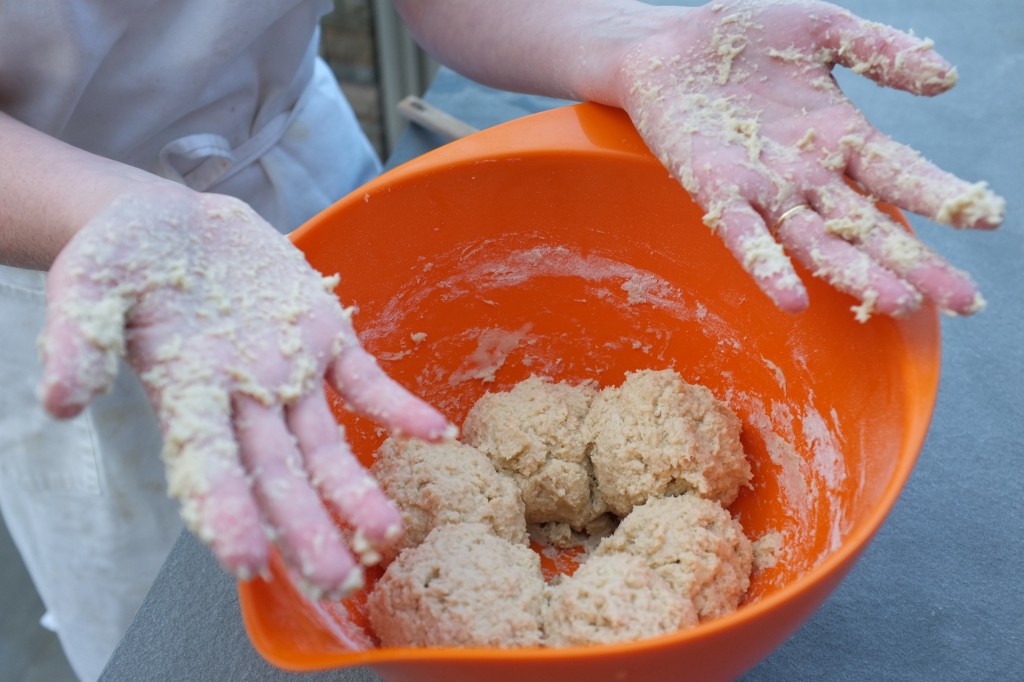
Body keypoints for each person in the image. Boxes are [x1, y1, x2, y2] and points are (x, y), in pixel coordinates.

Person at [0, 1, 1004, 680]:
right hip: (59, 271)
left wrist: (619, 40)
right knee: (166, 614)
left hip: (303, 179)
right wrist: (97, 209)